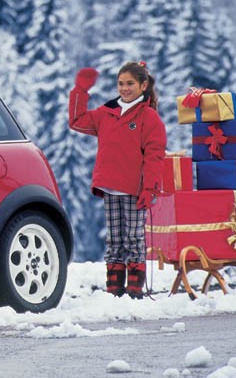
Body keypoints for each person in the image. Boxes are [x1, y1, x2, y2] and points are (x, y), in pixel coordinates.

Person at [69, 61, 166, 299]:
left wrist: (151, 188)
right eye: (121, 83)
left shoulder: (148, 116)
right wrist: (80, 91)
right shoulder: (106, 112)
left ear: (143, 85)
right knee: (114, 239)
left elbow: (154, 156)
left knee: (133, 238)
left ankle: (135, 290)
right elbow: (77, 120)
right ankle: (114, 290)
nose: (124, 88)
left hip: (135, 189)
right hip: (110, 186)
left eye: (130, 83)